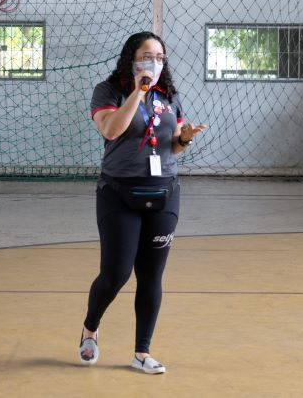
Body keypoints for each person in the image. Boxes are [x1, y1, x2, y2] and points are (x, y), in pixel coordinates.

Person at [79, 31, 206, 374]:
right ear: (131, 58)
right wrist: (138, 91)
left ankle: (142, 353)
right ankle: (90, 327)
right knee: (116, 274)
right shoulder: (109, 91)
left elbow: (172, 144)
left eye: (160, 57)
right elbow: (111, 130)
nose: (155, 62)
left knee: (151, 277)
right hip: (119, 193)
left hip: (164, 193)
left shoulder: (170, 97)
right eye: (147, 56)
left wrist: (185, 138)